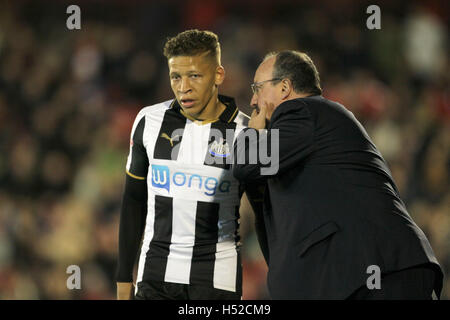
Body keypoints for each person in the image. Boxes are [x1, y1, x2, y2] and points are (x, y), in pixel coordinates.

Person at [232, 50, 444, 299]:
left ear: (284, 88)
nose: (254, 101)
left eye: (257, 88)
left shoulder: (302, 110)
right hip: (363, 277)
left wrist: (253, 134)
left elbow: (246, 164)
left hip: (374, 274)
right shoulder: (306, 137)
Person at [116, 30, 252, 300]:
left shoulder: (246, 132)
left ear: (218, 75)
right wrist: (123, 281)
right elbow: (133, 200)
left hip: (216, 281)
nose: (183, 87)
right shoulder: (149, 121)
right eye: (175, 77)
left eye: (194, 76)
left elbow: (268, 213)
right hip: (154, 276)